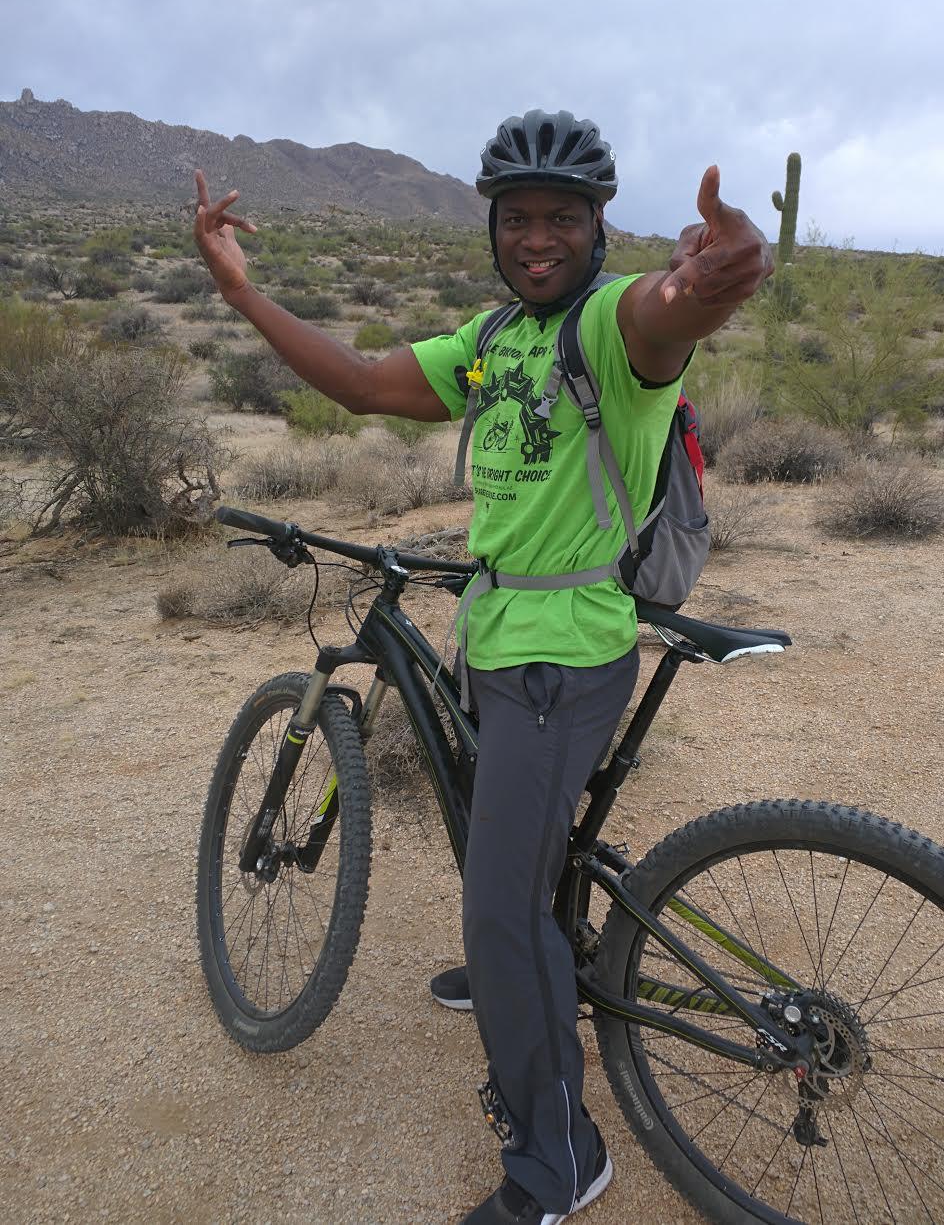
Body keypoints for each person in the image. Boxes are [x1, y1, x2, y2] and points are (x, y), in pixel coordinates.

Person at [194, 109, 773, 1225]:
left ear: (600, 229)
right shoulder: (494, 336)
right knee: (513, 861)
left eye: (563, 217)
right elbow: (364, 382)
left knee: (496, 914)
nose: (538, 236)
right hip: (500, 636)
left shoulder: (610, 325)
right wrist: (240, 293)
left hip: (564, 657)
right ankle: (527, 960)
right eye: (518, 217)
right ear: (494, 228)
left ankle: (558, 1162)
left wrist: (719, 275)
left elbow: (670, 310)